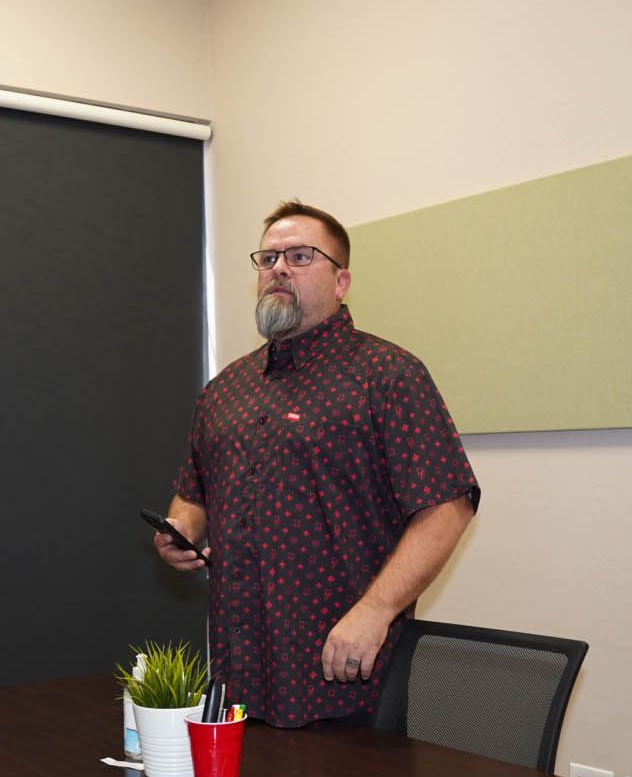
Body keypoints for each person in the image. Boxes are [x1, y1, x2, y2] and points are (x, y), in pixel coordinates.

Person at [155, 200, 480, 727]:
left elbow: (447, 509)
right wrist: (181, 531)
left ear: (341, 281)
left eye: (300, 256)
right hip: (239, 673)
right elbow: (193, 497)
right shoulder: (223, 391)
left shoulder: (388, 376)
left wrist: (375, 612)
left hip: (346, 673)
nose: (279, 268)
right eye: (268, 258)